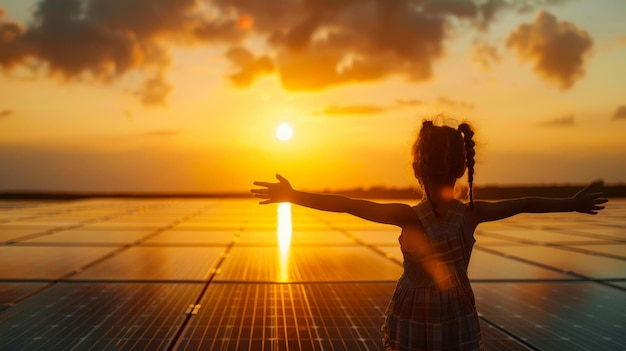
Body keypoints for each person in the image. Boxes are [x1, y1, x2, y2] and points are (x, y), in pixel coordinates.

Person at [251, 118, 607, 351]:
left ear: (417, 168)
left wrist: (294, 196)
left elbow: (347, 204)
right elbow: (526, 203)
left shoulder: (407, 217)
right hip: (457, 315)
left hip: (413, 320)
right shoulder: (472, 213)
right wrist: (571, 204)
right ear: (460, 168)